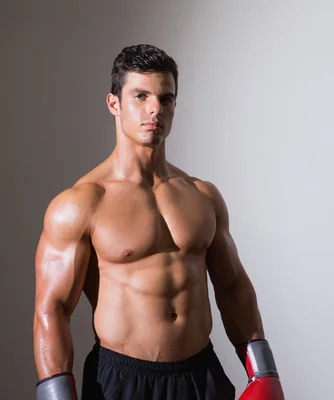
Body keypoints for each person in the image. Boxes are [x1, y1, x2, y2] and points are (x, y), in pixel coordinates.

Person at [33, 44, 285, 400]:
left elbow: (232, 287)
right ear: (114, 104)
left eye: (166, 99)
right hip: (122, 380)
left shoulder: (202, 196)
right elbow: (52, 308)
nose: (155, 109)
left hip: (200, 376)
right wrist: (56, 394)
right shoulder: (82, 203)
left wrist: (264, 370)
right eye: (141, 95)